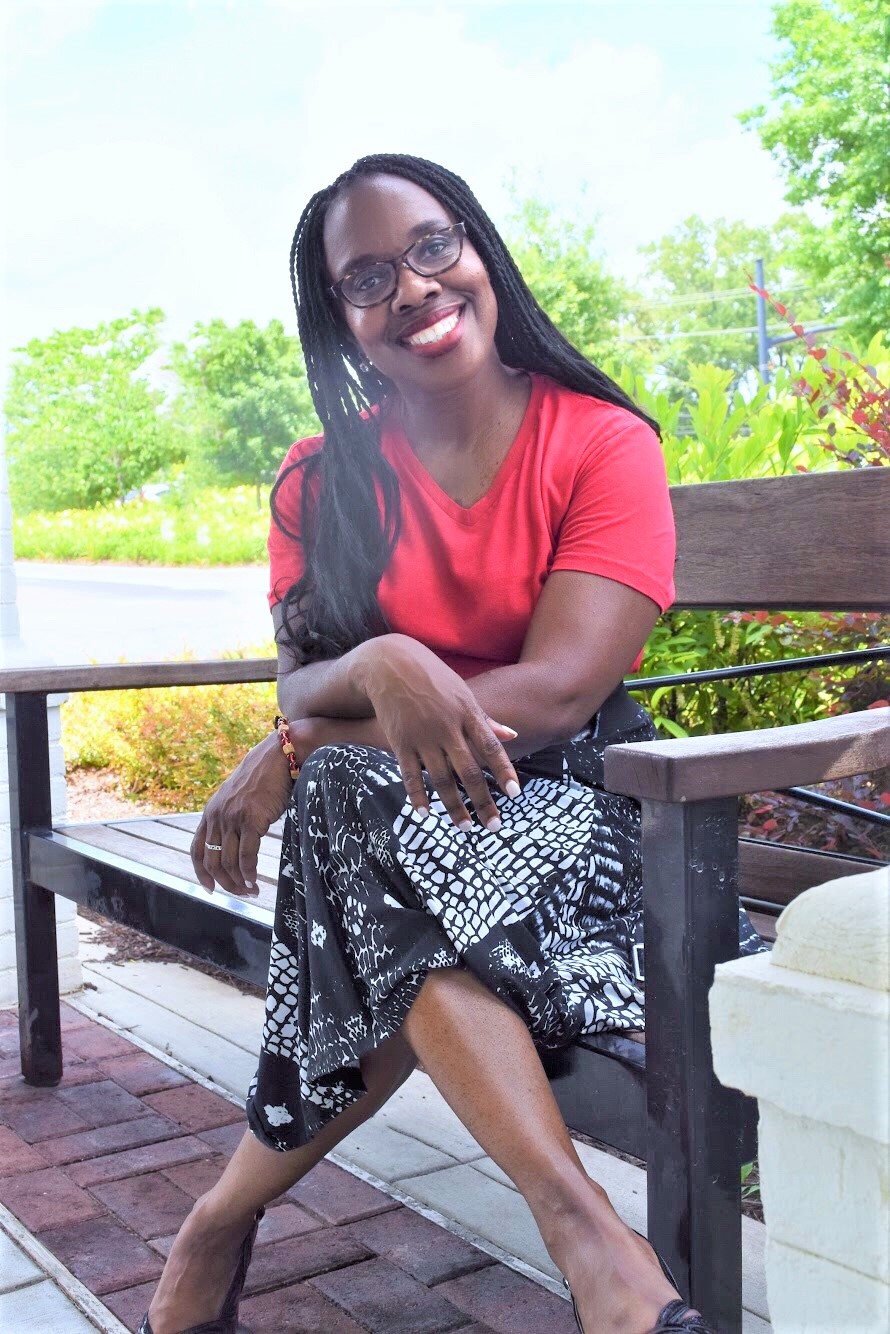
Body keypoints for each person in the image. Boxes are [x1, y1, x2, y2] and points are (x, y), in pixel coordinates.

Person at [140, 153, 757, 1334]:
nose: (414, 287)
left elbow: (563, 691)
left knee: (345, 812)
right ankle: (591, 1243)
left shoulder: (598, 439)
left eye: (431, 246)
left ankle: (219, 1221)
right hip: (403, 833)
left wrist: (300, 743)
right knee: (361, 813)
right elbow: (301, 674)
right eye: (367, 276)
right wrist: (379, 663)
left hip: (592, 830)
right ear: (339, 317)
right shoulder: (320, 479)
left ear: (476, 247)